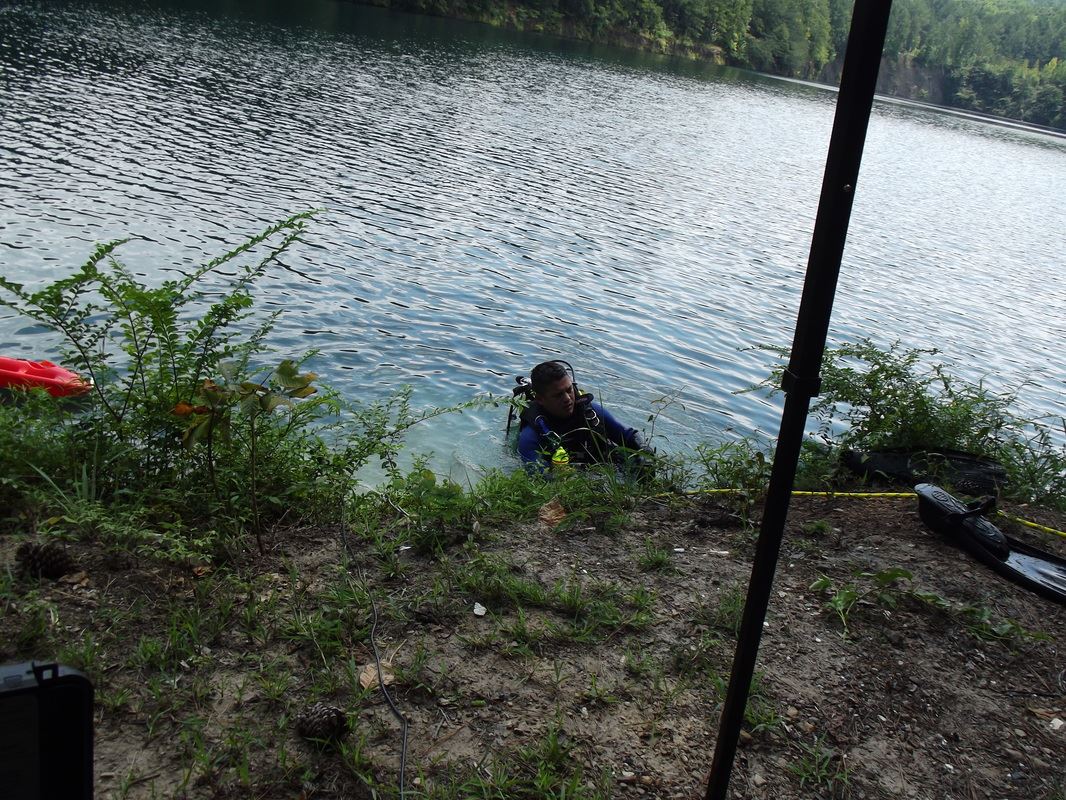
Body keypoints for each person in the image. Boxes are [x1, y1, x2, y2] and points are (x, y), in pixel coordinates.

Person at [516, 360, 649, 472]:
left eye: (569, 390)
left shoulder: (591, 412)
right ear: (540, 399)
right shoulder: (531, 436)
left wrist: (645, 453)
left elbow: (629, 436)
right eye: (558, 395)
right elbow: (539, 477)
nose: (568, 398)